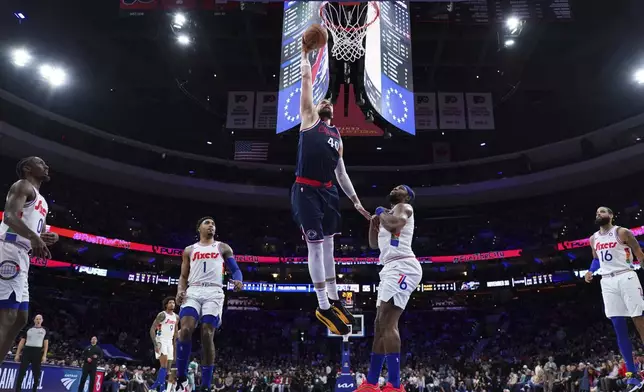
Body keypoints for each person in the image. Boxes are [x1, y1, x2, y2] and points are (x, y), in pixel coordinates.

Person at [293, 37, 370, 335]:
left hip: (328, 191)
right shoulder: (309, 117)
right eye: (323, 99)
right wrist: (304, 54)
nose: (325, 100)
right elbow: (307, 80)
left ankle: (336, 300)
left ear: (333, 112)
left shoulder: (337, 134)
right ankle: (323, 305)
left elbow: (342, 172)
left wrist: (356, 201)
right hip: (306, 189)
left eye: (329, 101)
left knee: (330, 247)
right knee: (314, 247)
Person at [358, 185, 422, 392]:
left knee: (387, 322)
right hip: (390, 267)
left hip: (403, 265)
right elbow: (373, 245)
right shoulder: (387, 214)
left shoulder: (403, 208)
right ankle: (372, 383)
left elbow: (395, 226)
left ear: (407, 197)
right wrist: (374, 223)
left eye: (401, 187)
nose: (396, 187)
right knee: (379, 325)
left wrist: (380, 212)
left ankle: (395, 385)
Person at [174, 216, 243, 392]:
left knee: (206, 333)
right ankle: (181, 377)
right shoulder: (189, 250)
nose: (211, 225)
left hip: (214, 292)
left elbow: (235, 269)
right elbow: (183, 276)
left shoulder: (222, 247)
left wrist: (238, 280)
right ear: (199, 228)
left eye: (213, 223)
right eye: (207, 223)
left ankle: (205, 385)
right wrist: (179, 291)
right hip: (194, 290)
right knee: (186, 330)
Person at [0, 157, 57, 363]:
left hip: (23, 255)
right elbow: (9, 217)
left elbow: (36, 228)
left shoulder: (43, 201)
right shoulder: (22, 185)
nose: (47, 166)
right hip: (8, 248)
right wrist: (33, 236)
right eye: (41, 163)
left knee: (21, 319)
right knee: (7, 315)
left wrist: (47, 236)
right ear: (27, 168)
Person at [584, 206, 644, 390]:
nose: (598, 214)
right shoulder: (593, 238)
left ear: (611, 215)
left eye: (602, 211)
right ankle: (632, 376)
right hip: (607, 281)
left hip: (626, 275)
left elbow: (639, 254)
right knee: (619, 327)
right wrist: (590, 270)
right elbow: (597, 259)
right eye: (596, 212)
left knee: (639, 321)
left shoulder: (622, 232)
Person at [149, 297, 179, 392]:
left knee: (168, 370)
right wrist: (155, 344)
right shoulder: (162, 315)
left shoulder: (176, 317)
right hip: (161, 340)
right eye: (170, 302)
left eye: (173, 303)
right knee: (164, 365)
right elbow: (152, 329)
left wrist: (174, 347)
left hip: (170, 342)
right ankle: (160, 389)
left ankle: (154, 387)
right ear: (166, 305)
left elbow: (175, 333)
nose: (172, 304)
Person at [13, 314, 48, 392]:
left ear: (42, 320)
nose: (38, 320)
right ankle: (18, 390)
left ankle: (34, 390)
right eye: (37, 319)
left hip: (37, 352)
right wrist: (17, 354)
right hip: (27, 351)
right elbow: (22, 342)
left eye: (40, 319)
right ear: (34, 320)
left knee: (36, 374)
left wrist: (44, 355)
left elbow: (46, 344)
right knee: (22, 372)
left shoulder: (44, 330)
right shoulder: (28, 329)